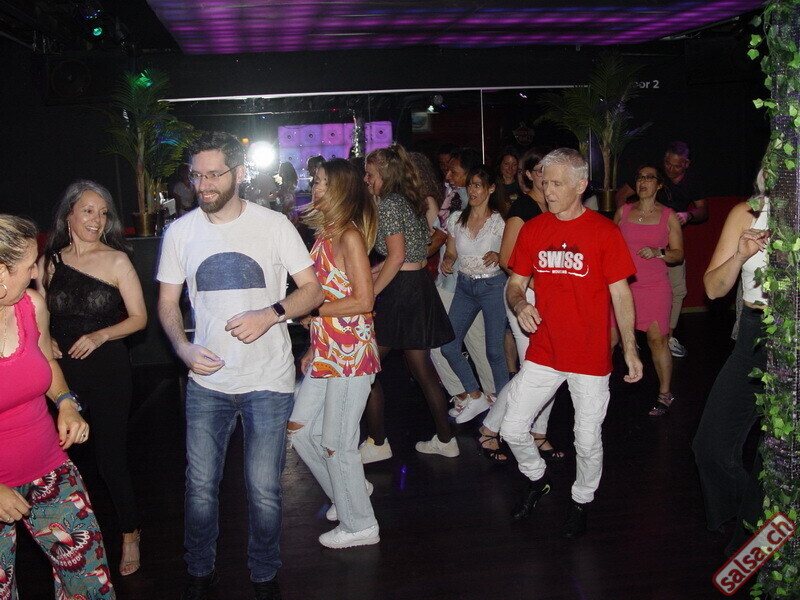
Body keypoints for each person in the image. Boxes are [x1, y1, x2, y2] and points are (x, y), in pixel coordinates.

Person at [157, 131, 323, 600]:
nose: (203, 184)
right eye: (197, 175)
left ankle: (265, 575)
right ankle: (199, 571)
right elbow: (167, 304)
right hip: (206, 382)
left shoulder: (274, 225)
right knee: (199, 486)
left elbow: (313, 290)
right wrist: (182, 348)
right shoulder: (180, 232)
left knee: (264, 489)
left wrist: (271, 314)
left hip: (268, 380)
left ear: (239, 173)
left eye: (214, 174)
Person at [501, 148, 642, 538]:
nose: (547, 191)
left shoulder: (604, 232)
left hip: (589, 355)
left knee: (587, 439)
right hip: (545, 350)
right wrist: (519, 305)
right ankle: (537, 479)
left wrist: (630, 348)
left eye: (557, 184)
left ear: (581, 185)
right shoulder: (534, 229)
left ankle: (581, 500)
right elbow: (515, 284)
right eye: (544, 182)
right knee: (512, 428)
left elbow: (621, 294)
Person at [1, 214, 115, 599]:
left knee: (90, 585)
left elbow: (47, 362)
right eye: (29, 265)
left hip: (48, 469)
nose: (37, 272)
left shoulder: (31, 306)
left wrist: (65, 402)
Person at [37, 180, 147, 577]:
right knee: (59, 459)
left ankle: (130, 532)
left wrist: (102, 335)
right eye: (88, 210)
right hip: (60, 373)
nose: (96, 219)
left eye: (103, 213)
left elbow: (139, 318)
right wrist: (45, 338)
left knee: (110, 459)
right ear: (69, 214)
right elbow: (37, 313)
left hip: (108, 371)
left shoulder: (117, 260)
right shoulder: (49, 262)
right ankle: (68, 537)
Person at [287, 159, 381, 549]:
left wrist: (313, 311)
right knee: (299, 430)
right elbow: (329, 289)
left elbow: (363, 300)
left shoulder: (349, 236)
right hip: (328, 351)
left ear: (341, 189)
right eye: (316, 181)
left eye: (323, 182)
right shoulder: (325, 234)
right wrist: (314, 342)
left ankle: (360, 525)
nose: (316, 187)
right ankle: (349, 493)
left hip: (351, 354)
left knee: (337, 442)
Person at [359, 144, 456, 461]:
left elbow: (397, 257)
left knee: (366, 368)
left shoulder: (389, 204)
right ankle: (446, 440)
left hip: (401, 294)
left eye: (370, 174)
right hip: (416, 287)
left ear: (384, 175)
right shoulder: (408, 200)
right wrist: (370, 273)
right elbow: (411, 257)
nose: (366, 179)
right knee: (422, 371)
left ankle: (377, 443)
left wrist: (370, 293)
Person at [692, 171, 768, 553]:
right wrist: (740, 255)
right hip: (754, 338)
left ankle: (753, 540)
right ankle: (750, 521)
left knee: (776, 456)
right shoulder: (746, 213)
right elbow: (712, 289)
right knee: (710, 445)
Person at [478, 147, 564, 463]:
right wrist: (538, 286)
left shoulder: (554, 208)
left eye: (551, 173)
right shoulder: (523, 208)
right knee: (534, 371)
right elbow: (506, 258)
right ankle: (490, 428)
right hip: (523, 295)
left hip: (549, 297)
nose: (546, 178)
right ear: (528, 174)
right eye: (540, 171)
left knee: (550, 368)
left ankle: (538, 432)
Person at [616, 142, 708, 358]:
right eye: (667, 163)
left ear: (686, 164)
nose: (670, 168)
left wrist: (688, 215)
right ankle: (627, 337)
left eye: (676, 165)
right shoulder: (651, 175)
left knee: (677, 289)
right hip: (640, 237)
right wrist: (625, 220)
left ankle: (668, 337)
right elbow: (622, 195)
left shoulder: (692, 181)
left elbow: (703, 210)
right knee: (628, 288)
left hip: (668, 241)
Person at [429, 148, 498, 420]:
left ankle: (482, 398)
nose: (448, 174)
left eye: (454, 171)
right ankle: (474, 396)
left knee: (468, 344)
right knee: (452, 343)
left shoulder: (475, 204)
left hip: (467, 284)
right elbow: (446, 239)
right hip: (453, 282)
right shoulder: (455, 197)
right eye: (448, 169)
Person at [611, 165, 683, 415]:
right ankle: (595, 389)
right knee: (609, 340)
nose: (642, 182)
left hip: (654, 287)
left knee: (657, 340)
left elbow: (678, 254)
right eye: (639, 177)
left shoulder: (668, 216)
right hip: (622, 286)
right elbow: (608, 244)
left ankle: (665, 393)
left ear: (659, 184)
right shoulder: (623, 211)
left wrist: (658, 252)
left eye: (649, 178)